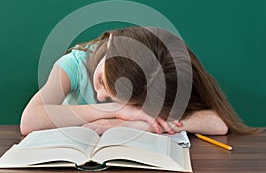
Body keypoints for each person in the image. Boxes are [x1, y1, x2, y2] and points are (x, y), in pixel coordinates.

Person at [20, 26, 259, 136]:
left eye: (115, 97)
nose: (101, 95)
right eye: (103, 81)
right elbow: (29, 121)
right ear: (112, 40)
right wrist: (117, 111)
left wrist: (139, 125)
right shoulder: (74, 64)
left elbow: (217, 123)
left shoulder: (152, 83)